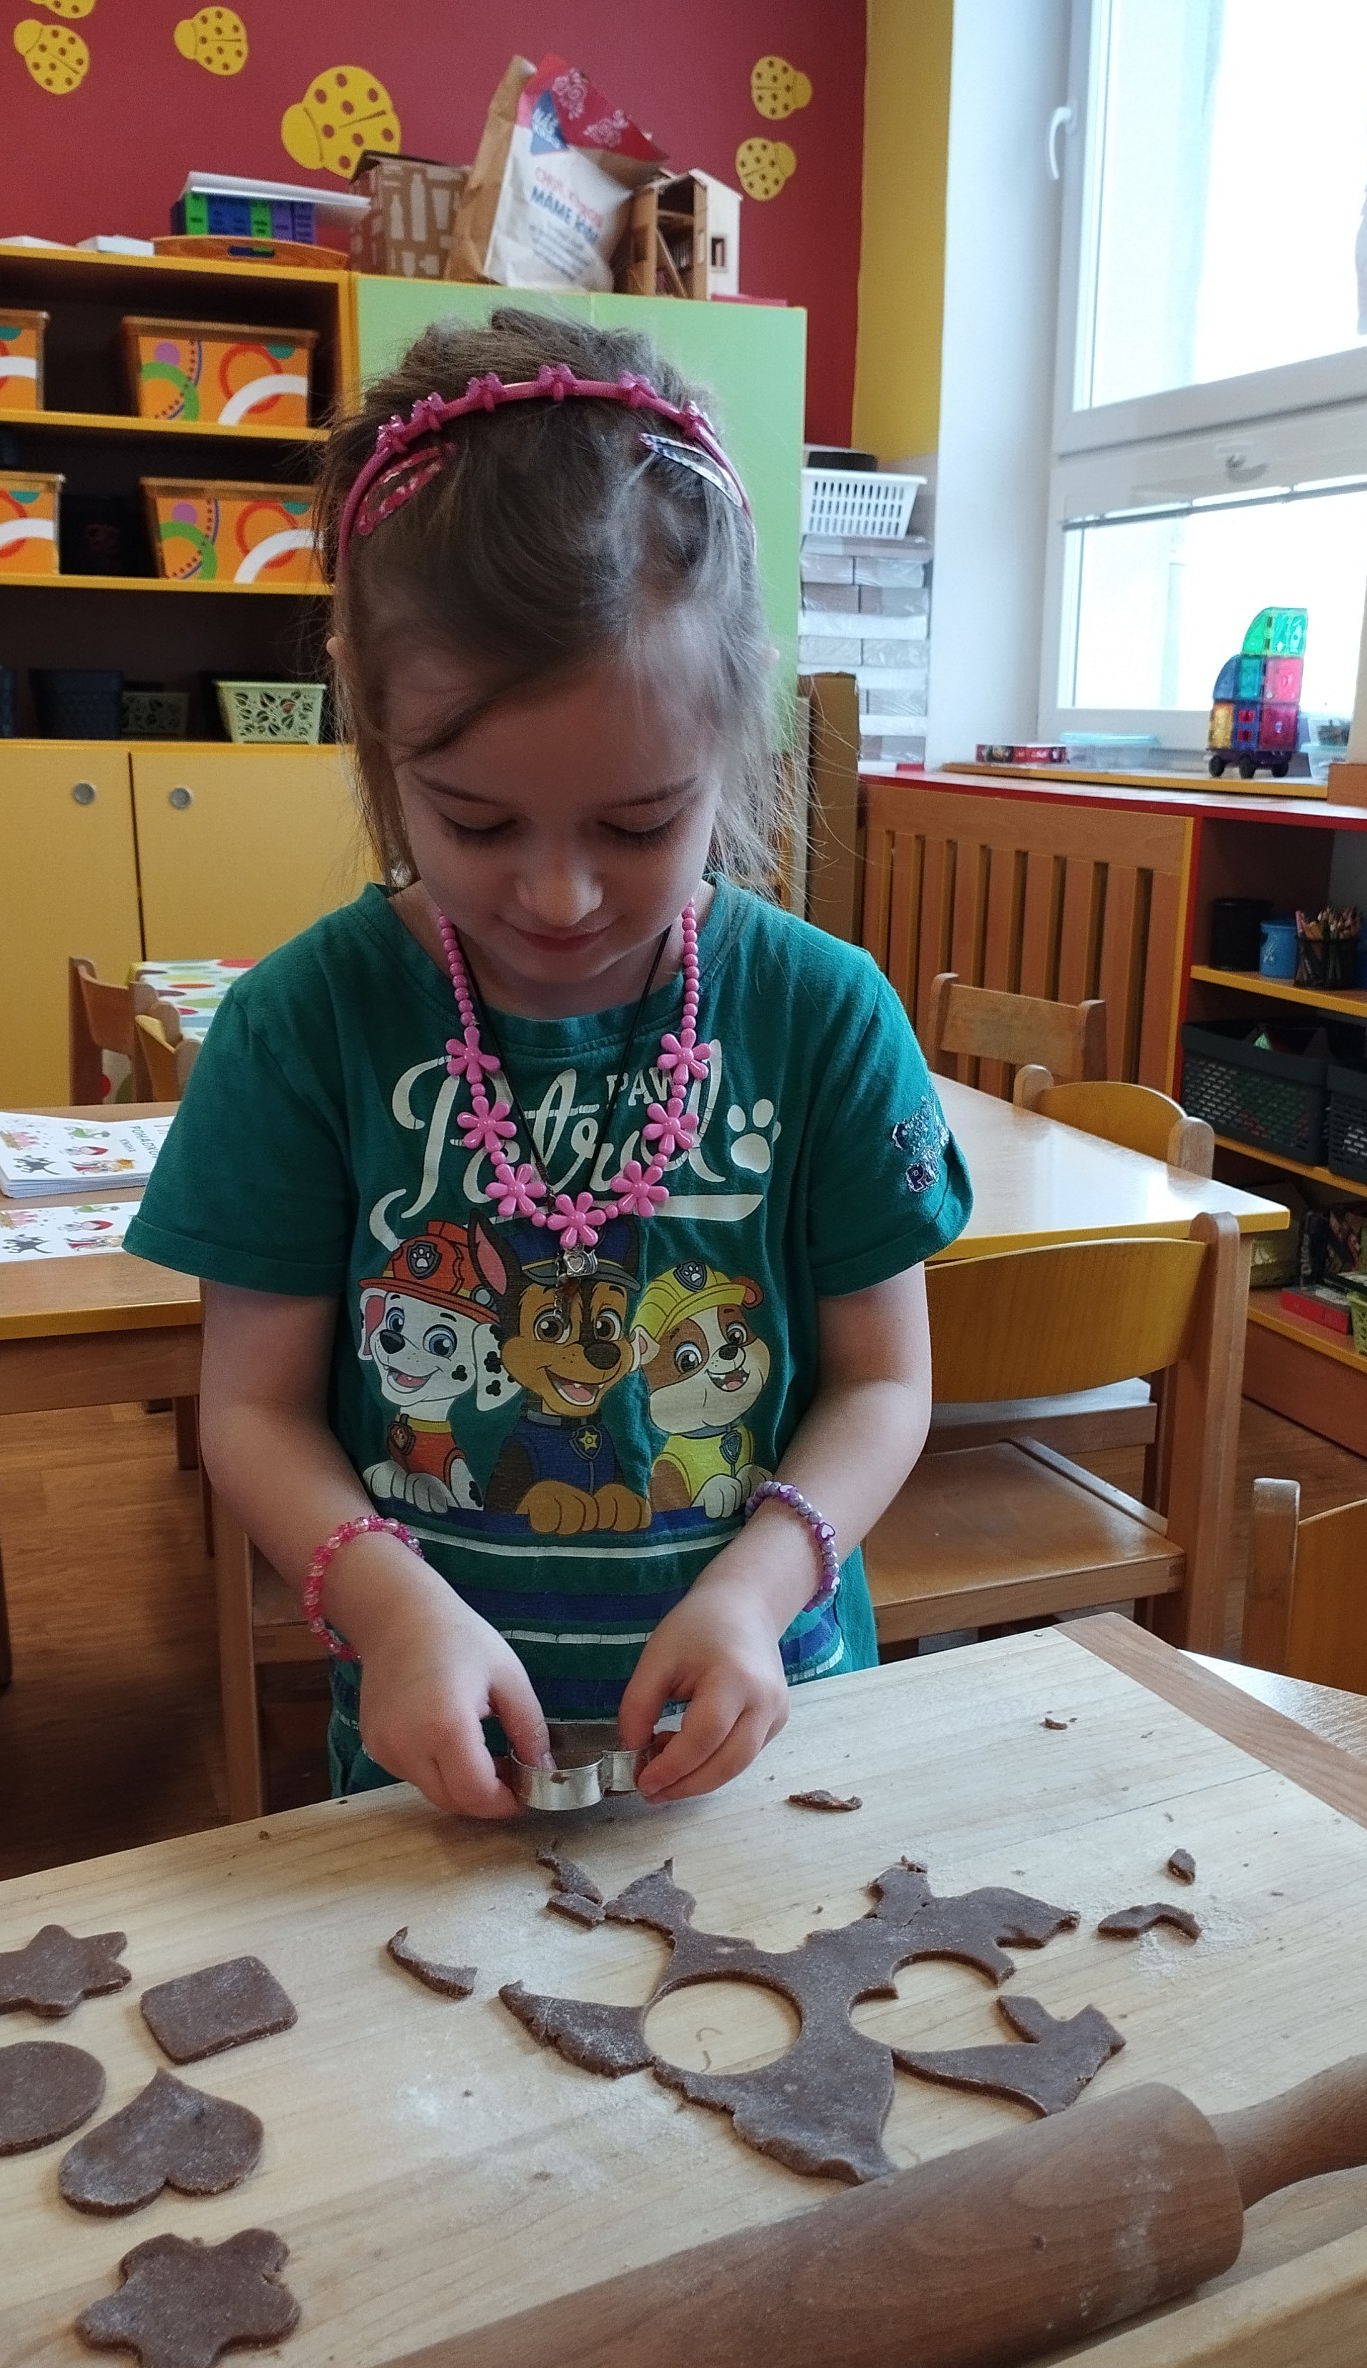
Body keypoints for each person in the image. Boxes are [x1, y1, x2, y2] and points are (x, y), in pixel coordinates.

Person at [126, 306, 971, 1819]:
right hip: (437, 1762)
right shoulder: (302, 1027)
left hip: (767, 1738)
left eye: (640, 824)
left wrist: (755, 1590)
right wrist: (392, 1613)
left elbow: (886, 1379)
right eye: (479, 821)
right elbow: (250, 1412)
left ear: (741, 727)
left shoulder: (825, 1014)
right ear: (372, 727)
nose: (563, 894)